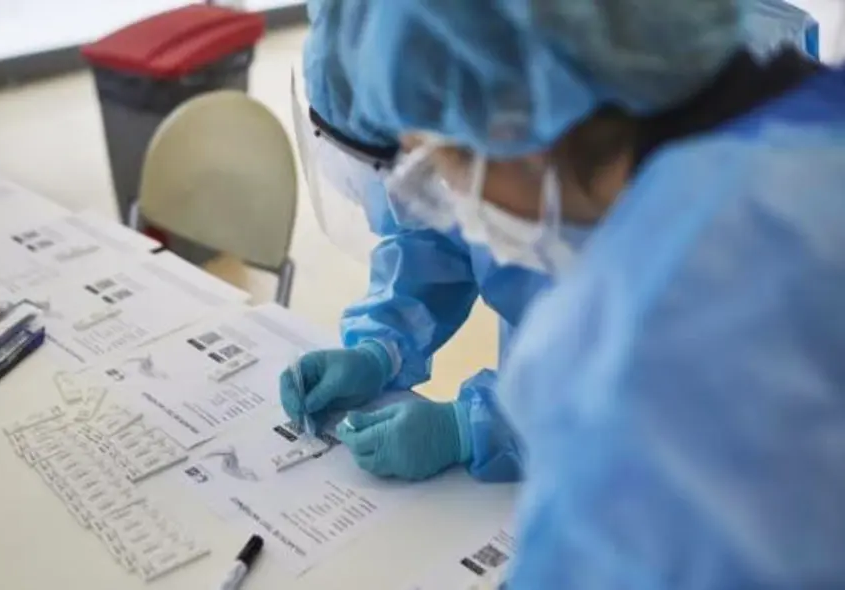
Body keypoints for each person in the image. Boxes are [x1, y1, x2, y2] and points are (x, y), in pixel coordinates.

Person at [341, 0, 845, 587]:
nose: (455, 204)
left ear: (511, 124)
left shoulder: (638, 327)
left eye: (440, 167)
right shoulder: (812, 127)